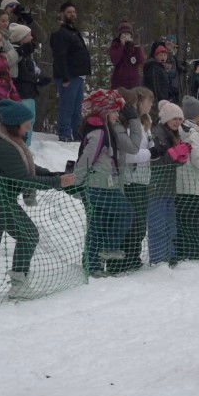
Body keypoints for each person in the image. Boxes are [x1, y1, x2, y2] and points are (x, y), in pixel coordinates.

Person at [0, 100, 75, 296]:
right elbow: (25, 179)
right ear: (14, 124)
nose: (28, 129)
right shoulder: (1, 146)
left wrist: (56, 175)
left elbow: (29, 168)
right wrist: (58, 182)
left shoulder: (6, 139)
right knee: (28, 235)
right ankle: (18, 285)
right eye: (26, 125)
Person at [74, 89, 140, 277]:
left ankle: (93, 263)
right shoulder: (98, 132)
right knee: (124, 213)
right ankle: (105, 250)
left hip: (105, 184)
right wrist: (77, 183)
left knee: (98, 223)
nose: (117, 115)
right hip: (98, 184)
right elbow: (86, 158)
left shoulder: (106, 130)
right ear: (105, 112)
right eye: (114, 111)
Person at [109, 86, 154, 275]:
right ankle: (123, 260)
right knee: (131, 222)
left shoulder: (145, 123)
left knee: (140, 223)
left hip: (143, 178)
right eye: (148, 101)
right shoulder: (126, 122)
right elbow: (127, 154)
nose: (150, 105)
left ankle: (133, 257)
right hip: (130, 179)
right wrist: (150, 153)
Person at [148, 100, 189, 264]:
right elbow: (155, 159)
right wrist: (173, 155)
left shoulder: (174, 134)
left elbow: (171, 159)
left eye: (180, 119)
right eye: (174, 119)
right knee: (158, 223)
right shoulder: (157, 133)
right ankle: (159, 258)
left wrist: (181, 157)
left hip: (169, 186)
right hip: (157, 186)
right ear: (166, 119)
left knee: (170, 223)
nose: (177, 122)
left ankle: (170, 254)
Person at [174, 96, 199, 262]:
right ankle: (198, 253)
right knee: (197, 221)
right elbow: (198, 160)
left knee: (187, 221)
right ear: (195, 115)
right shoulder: (194, 133)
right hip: (195, 184)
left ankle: (189, 252)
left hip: (184, 184)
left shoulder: (185, 130)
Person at [50, 2, 91, 142]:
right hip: (69, 76)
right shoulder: (61, 33)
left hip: (78, 75)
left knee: (77, 107)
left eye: (74, 12)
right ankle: (64, 133)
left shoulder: (74, 31)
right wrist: (65, 76)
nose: (72, 14)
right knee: (67, 106)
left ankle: (76, 132)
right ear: (62, 14)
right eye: (69, 12)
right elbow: (60, 56)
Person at [10, 24, 47, 146]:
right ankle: (22, 146)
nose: (31, 37)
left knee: (30, 120)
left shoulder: (27, 54)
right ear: (21, 38)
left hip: (29, 93)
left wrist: (39, 78)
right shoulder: (17, 53)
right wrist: (35, 80)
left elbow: (32, 71)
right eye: (28, 35)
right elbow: (21, 74)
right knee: (25, 121)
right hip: (22, 94)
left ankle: (26, 146)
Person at [109, 19, 145, 89]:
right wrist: (122, 46)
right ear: (120, 35)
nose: (126, 36)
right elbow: (114, 60)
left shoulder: (134, 46)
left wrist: (137, 46)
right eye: (124, 34)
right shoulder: (115, 45)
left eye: (128, 34)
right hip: (119, 83)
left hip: (134, 83)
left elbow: (141, 60)